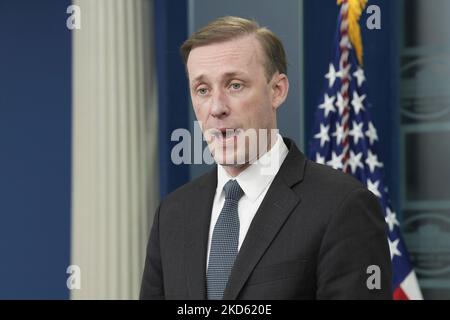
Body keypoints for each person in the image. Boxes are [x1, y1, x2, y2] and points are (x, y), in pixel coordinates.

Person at [140, 16, 392, 300]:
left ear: (277, 90)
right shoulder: (173, 214)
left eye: (234, 85)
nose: (216, 107)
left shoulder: (343, 206)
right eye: (202, 90)